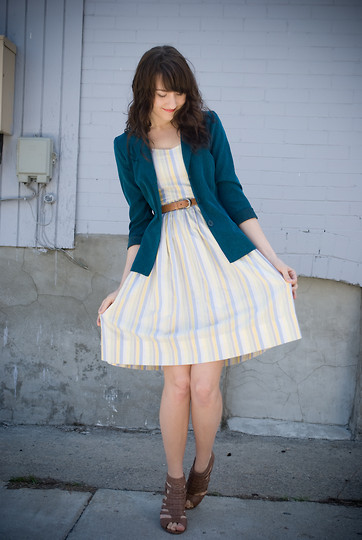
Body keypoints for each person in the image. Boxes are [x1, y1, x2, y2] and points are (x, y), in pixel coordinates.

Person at [97, 45, 301, 535]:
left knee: (206, 386)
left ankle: (203, 464)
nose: (172, 103)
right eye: (164, 93)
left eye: (179, 92)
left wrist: (275, 261)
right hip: (164, 263)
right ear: (146, 89)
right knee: (179, 383)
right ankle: (172, 483)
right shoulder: (127, 145)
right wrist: (121, 288)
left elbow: (230, 192)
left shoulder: (206, 125)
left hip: (216, 258)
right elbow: (138, 219)